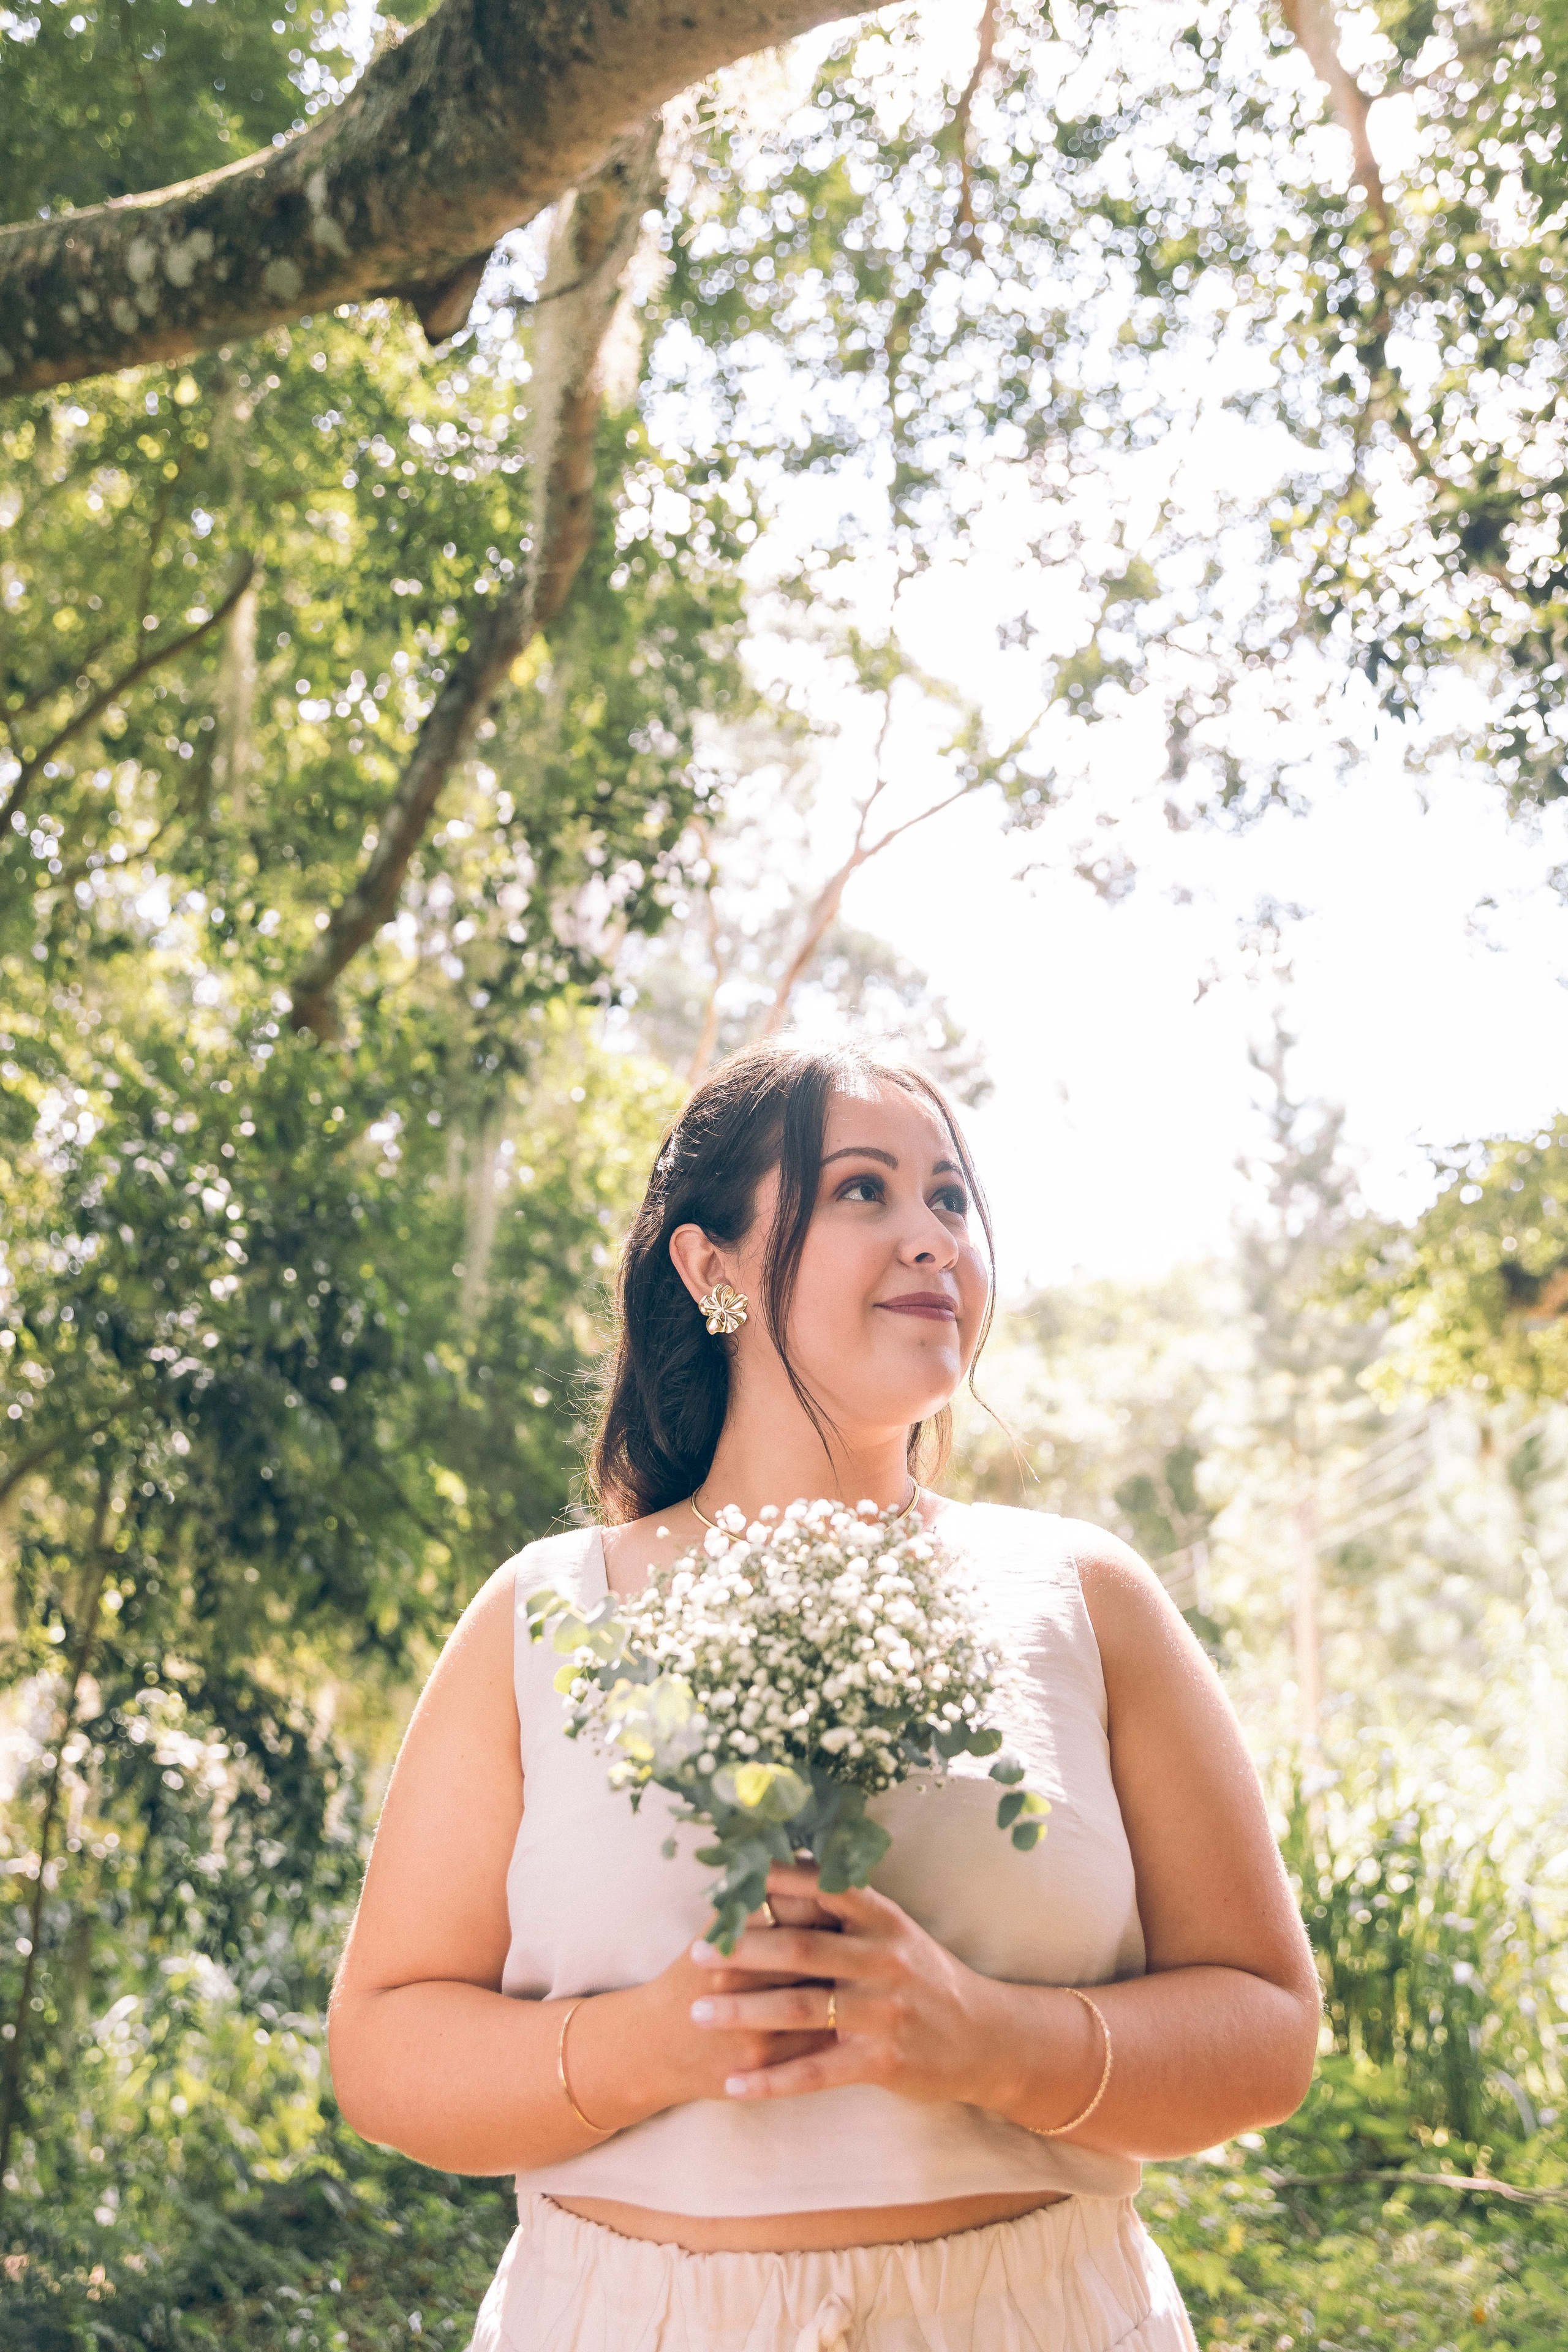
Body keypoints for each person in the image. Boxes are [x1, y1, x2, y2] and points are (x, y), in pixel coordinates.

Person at [329, 1038, 1321, 2350]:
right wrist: (649, 2046)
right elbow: (384, 2050)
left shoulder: (1087, 1598)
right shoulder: (543, 1615)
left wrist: (992, 2042)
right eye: (863, 1190)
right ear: (712, 1266)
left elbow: (1264, 2029)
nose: (931, 1239)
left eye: (950, 1199)